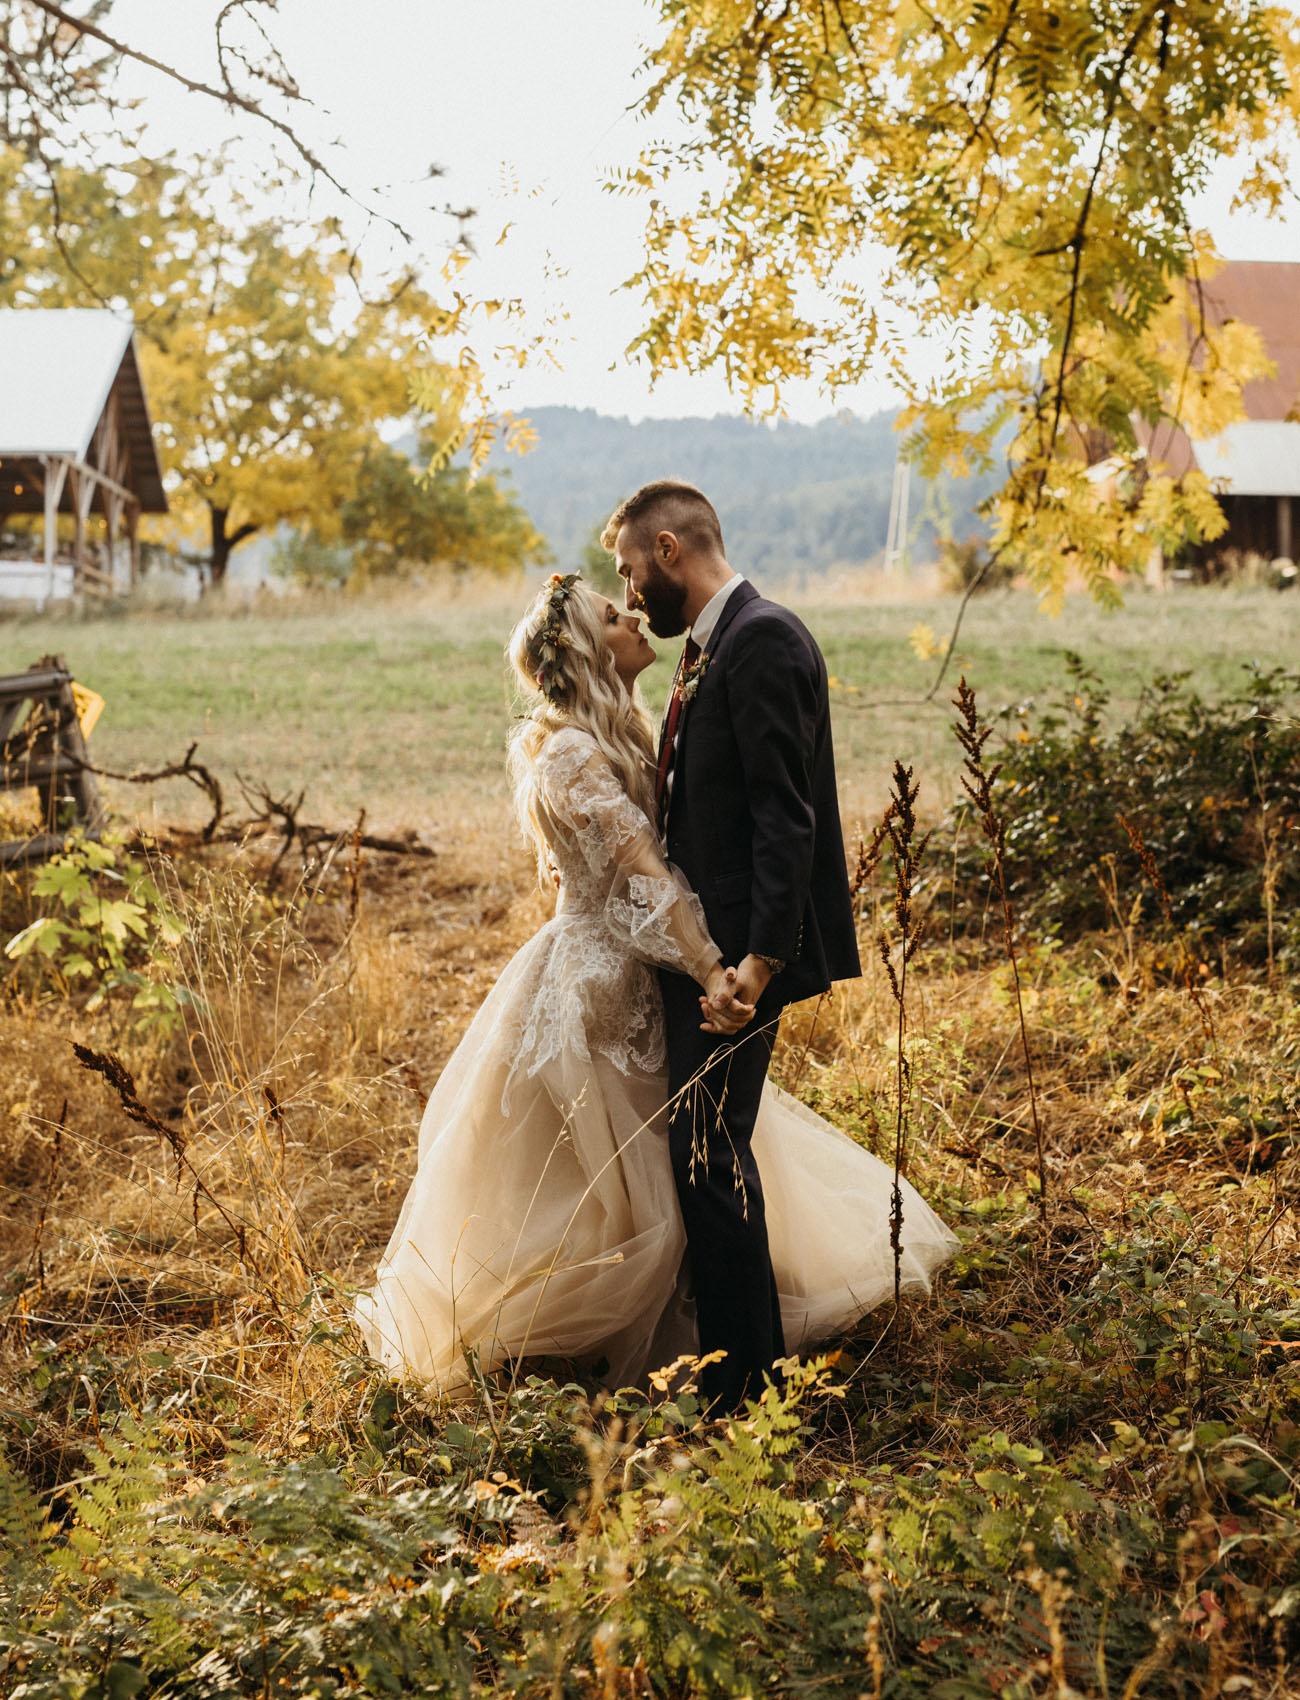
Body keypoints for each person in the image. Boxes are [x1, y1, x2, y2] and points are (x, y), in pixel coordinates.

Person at [353, 557, 957, 1405]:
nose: (632, 615)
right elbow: (640, 871)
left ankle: (714, 1343)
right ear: (585, 649)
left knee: (686, 1157)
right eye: (611, 614)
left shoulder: (625, 730)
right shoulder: (565, 750)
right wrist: (713, 967)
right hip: (600, 985)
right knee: (614, 1171)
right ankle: (596, 1351)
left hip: (650, 971)